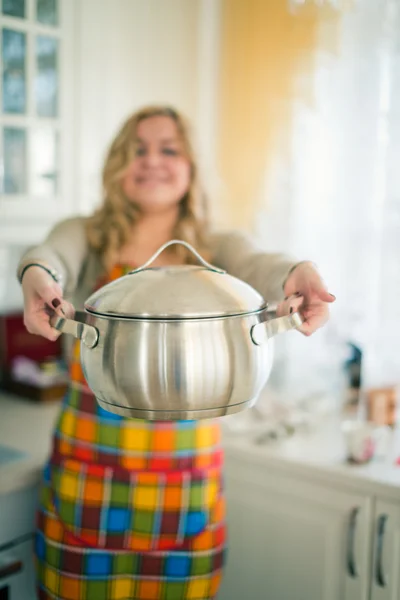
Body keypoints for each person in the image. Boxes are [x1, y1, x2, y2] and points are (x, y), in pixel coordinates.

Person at [18, 105, 335, 600]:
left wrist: (298, 271)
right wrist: (37, 276)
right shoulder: (88, 235)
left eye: (169, 149)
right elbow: (49, 254)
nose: (152, 161)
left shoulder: (214, 246)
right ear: (118, 164)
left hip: (185, 483)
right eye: (137, 150)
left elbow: (261, 263)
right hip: (87, 475)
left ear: (190, 168)